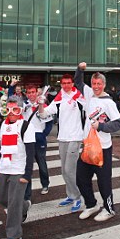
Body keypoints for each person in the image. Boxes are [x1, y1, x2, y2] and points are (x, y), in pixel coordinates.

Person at [74, 62, 120, 222]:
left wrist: (101, 126)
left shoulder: (108, 102)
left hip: (103, 148)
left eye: (99, 84)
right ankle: (91, 204)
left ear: (104, 85)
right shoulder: (89, 94)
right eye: (94, 83)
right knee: (80, 178)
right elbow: (78, 82)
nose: (96, 86)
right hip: (87, 146)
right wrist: (80, 69)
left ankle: (109, 209)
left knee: (104, 182)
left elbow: (119, 123)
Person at [0, 95, 36, 239]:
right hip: (4, 168)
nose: (11, 113)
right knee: (2, 198)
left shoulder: (26, 126)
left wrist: (27, 174)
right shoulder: (2, 125)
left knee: (13, 204)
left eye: (15, 110)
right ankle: (24, 206)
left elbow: (31, 153)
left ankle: (14, 235)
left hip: (19, 169)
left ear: (21, 110)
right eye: (8, 110)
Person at [38, 73, 85, 213]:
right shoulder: (59, 98)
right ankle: (70, 195)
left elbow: (90, 110)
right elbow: (43, 114)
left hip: (75, 137)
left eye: (68, 83)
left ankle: (78, 197)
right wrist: (40, 103)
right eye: (64, 83)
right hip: (62, 137)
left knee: (70, 170)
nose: (66, 85)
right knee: (64, 170)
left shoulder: (79, 97)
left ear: (73, 83)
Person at [9, 83, 52, 197]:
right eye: (29, 92)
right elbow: (11, 102)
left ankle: (45, 184)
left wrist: (43, 134)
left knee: (41, 163)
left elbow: (49, 122)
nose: (31, 94)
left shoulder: (43, 104)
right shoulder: (23, 105)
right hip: (26, 138)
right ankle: (27, 191)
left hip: (39, 138)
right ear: (26, 94)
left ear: (36, 93)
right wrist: (11, 87)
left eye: (33, 92)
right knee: (27, 164)